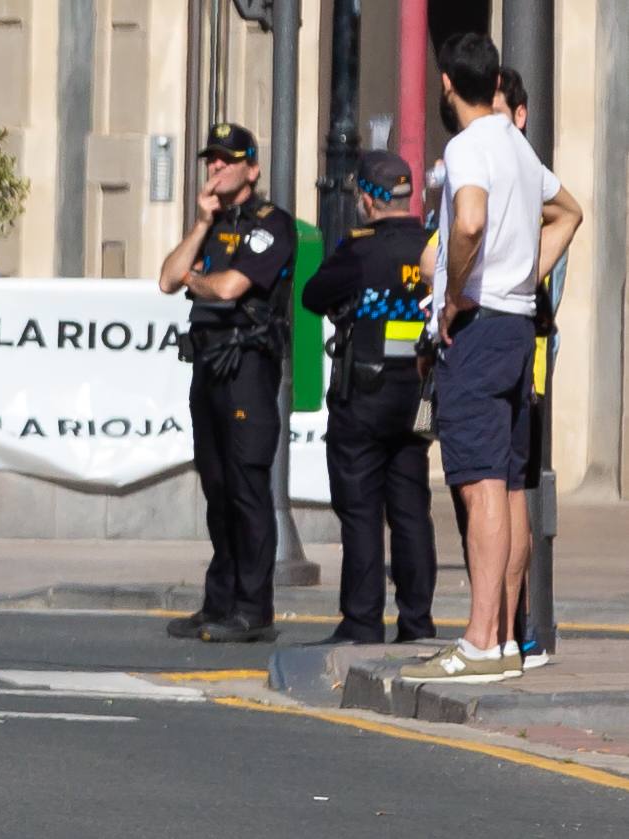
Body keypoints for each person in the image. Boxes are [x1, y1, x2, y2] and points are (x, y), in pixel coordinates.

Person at [400, 35, 581, 683]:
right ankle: (503, 638)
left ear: (446, 83)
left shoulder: (468, 146)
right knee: (504, 489)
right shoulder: (515, 144)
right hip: (514, 326)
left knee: (476, 488)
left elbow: (468, 221)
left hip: (476, 328)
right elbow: (567, 211)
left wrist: (451, 298)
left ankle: (478, 641)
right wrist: (526, 275)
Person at [154, 121, 296, 644]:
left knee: (247, 489)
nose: (215, 167)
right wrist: (198, 225)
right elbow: (167, 278)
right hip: (207, 368)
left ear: (251, 169)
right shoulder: (209, 226)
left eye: (226, 159)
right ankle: (219, 601)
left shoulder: (270, 224)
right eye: (211, 159)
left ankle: (254, 608)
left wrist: (194, 278)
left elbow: (230, 288)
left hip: (247, 371)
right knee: (216, 488)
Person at [299, 151, 437, 646]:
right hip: (420, 395)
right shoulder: (432, 246)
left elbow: (312, 296)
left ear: (368, 199)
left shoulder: (359, 251)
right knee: (410, 509)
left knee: (360, 511)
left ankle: (361, 622)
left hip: (366, 394)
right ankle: (417, 622)